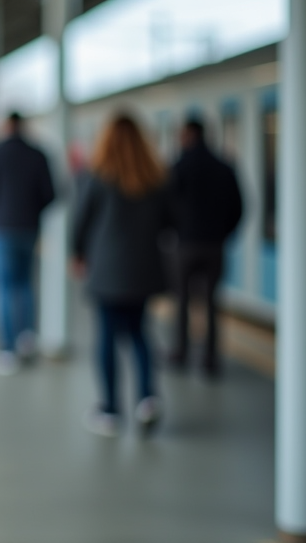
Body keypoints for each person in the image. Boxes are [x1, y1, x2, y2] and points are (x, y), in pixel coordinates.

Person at [71, 114, 173, 436]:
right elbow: (171, 222)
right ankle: (147, 399)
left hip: (106, 270)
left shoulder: (96, 175)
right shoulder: (155, 176)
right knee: (140, 331)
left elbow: (80, 221)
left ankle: (110, 410)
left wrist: (77, 254)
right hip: (143, 268)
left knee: (106, 336)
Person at [0, 111, 55, 375]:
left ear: (5, 127)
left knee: (5, 287)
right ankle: (26, 338)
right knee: (26, 283)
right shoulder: (38, 154)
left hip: (1, 228)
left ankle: (7, 349)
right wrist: (33, 212)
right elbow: (50, 193)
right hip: (29, 227)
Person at [169, 117, 243, 376]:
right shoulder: (224, 167)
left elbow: (166, 204)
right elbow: (240, 206)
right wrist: (224, 233)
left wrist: (175, 231)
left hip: (186, 244)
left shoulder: (178, 167)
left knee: (182, 301)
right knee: (212, 303)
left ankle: (181, 352)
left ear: (188, 135)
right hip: (215, 245)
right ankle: (211, 359)